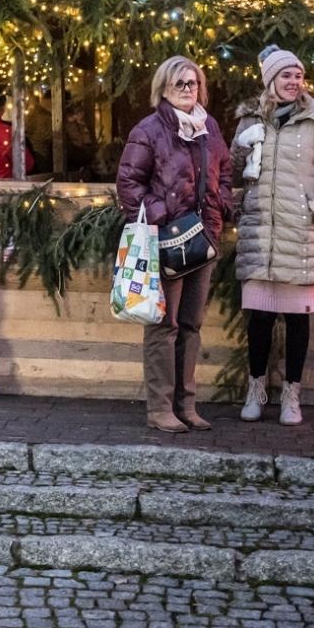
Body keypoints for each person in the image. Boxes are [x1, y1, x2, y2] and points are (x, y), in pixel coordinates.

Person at [231, 45, 314, 427]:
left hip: (301, 238)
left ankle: (291, 397)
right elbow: (232, 171)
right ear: (270, 79)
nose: (293, 82)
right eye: (286, 75)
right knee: (260, 321)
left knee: (298, 321)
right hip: (261, 236)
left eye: (298, 75)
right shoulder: (251, 119)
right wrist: (239, 147)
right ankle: (256, 390)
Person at [115, 55, 233, 434]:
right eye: (180, 83)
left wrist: (222, 204)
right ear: (163, 88)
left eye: (193, 83)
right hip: (167, 238)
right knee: (163, 325)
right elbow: (128, 185)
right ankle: (160, 407)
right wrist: (163, 212)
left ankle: (187, 404)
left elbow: (225, 170)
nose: (187, 89)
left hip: (204, 237)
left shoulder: (208, 127)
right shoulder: (148, 130)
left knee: (191, 325)